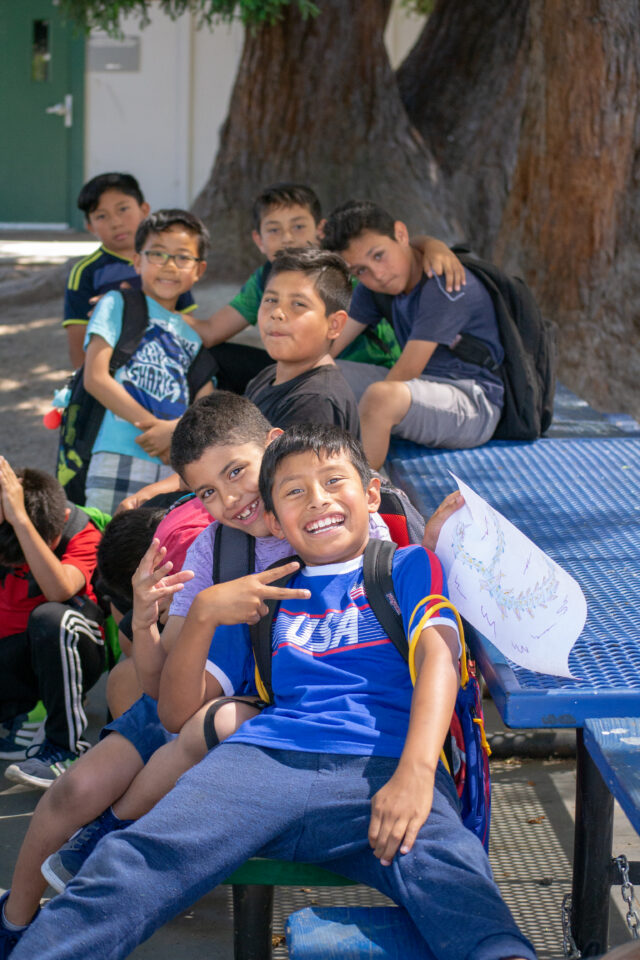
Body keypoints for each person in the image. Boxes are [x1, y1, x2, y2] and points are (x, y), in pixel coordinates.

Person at [9, 424, 535, 960]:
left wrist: (418, 773)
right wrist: (203, 613)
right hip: (260, 763)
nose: (318, 500)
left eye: (334, 481)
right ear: (276, 519)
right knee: (131, 862)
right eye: (294, 492)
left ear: (371, 493)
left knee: (459, 885)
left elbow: (439, 655)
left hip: (388, 765)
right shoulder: (261, 596)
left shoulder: (404, 565)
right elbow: (175, 712)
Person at [190, 181, 467, 393]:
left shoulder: (347, 269)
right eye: (274, 230)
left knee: (298, 383)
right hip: (302, 364)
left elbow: (391, 250)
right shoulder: (266, 278)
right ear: (259, 240)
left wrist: (432, 245)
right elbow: (211, 332)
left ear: (320, 231)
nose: (287, 238)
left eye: (299, 226)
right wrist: (152, 307)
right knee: (212, 358)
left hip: (362, 372)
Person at [322, 200, 505, 468]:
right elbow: (327, 348)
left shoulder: (444, 284)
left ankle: (362, 495)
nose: (378, 274)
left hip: (473, 402)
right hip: (418, 389)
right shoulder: (373, 288)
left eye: (378, 255)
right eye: (360, 270)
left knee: (381, 398)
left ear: (401, 234)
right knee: (321, 376)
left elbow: (406, 372)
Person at [81, 208, 213, 514]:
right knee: (107, 546)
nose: (169, 266)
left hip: (174, 472)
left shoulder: (194, 335)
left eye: (182, 257)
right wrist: (155, 428)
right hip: (117, 454)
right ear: (137, 260)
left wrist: (174, 432)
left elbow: (204, 404)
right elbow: (95, 377)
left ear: (198, 269)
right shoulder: (117, 303)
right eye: (157, 254)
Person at [0, 460, 104, 781]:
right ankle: (18, 715)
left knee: (52, 618)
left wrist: (20, 520)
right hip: (12, 656)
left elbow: (59, 590)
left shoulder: (81, 532)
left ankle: (64, 748)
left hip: (67, 651)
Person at [63, 173, 195, 369]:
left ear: (144, 210)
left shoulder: (169, 261)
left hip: (169, 367)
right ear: (90, 226)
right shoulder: (85, 273)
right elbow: (78, 343)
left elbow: (189, 326)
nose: (116, 222)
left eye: (123, 209)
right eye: (101, 216)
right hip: (111, 373)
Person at [244, 247, 360, 434]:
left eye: (298, 304)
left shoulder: (315, 402)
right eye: (271, 300)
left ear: (334, 325)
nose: (277, 313)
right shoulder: (267, 376)